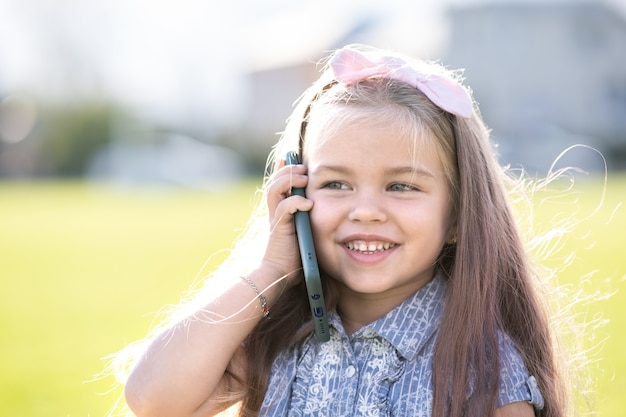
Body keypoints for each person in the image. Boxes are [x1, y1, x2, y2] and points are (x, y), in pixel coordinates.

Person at [118, 44, 569, 417]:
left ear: (457, 217)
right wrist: (270, 268)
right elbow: (153, 399)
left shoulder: (483, 369)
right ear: (293, 192)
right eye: (336, 183)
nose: (366, 211)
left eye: (401, 186)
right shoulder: (278, 336)